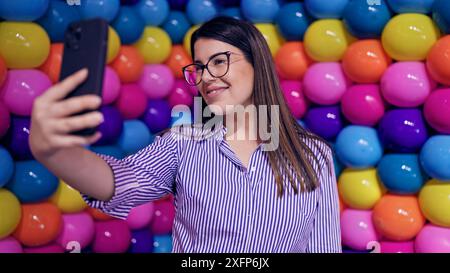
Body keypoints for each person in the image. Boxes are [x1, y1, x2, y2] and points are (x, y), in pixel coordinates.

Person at [29, 16, 341, 253]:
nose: (206, 78)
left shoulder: (314, 155)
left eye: (219, 62)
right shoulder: (182, 144)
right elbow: (119, 183)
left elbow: (324, 247)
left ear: (258, 64)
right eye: (200, 68)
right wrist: (57, 153)